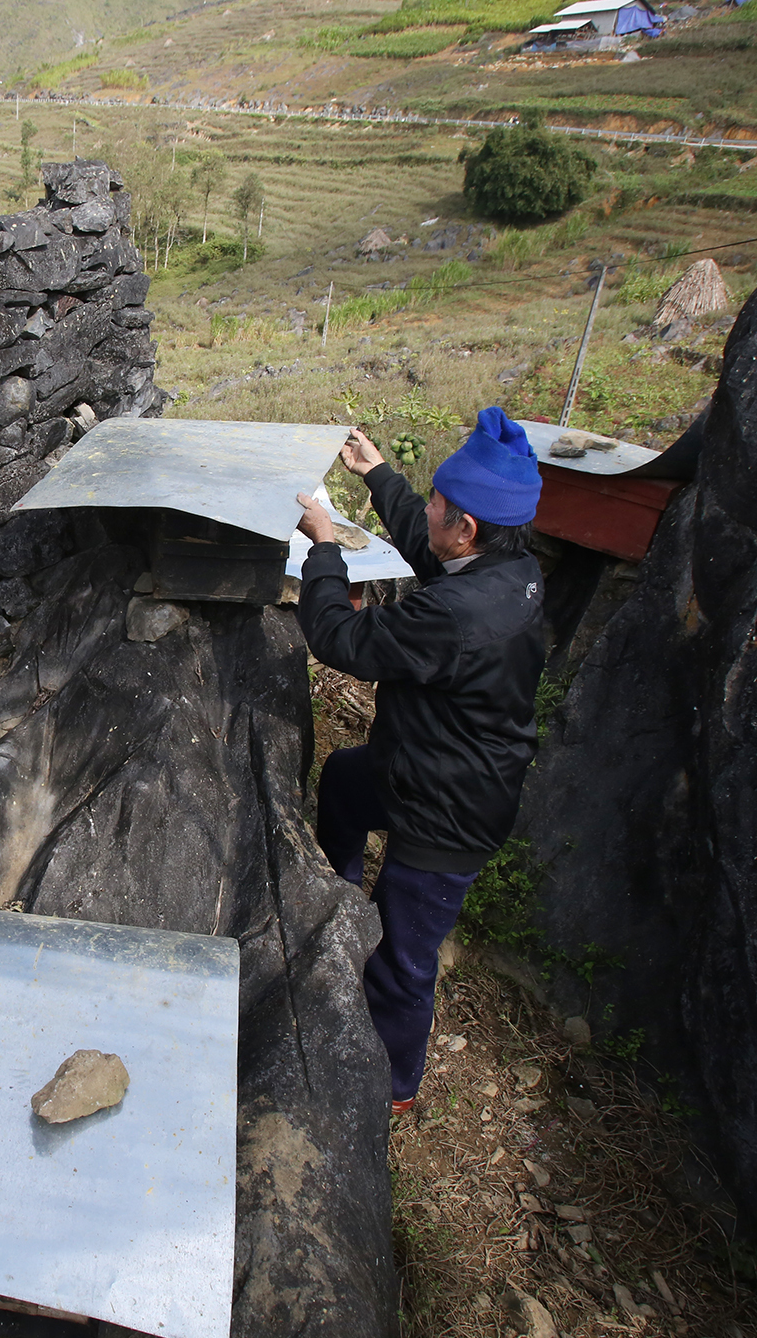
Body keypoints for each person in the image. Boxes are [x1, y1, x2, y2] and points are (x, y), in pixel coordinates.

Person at [293, 407, 546, 1117]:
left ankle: (392, 1084)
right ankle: (337, 902)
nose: (428, 510)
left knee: (403, 961)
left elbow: (340, 639)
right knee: (344, 781)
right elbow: (423, 540)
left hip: (450, 808)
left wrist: (324, 546)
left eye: (437, 502)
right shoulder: (506, 566)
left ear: (464, 526)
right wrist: (375, 473)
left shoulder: (458, 614)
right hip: (425, 762)